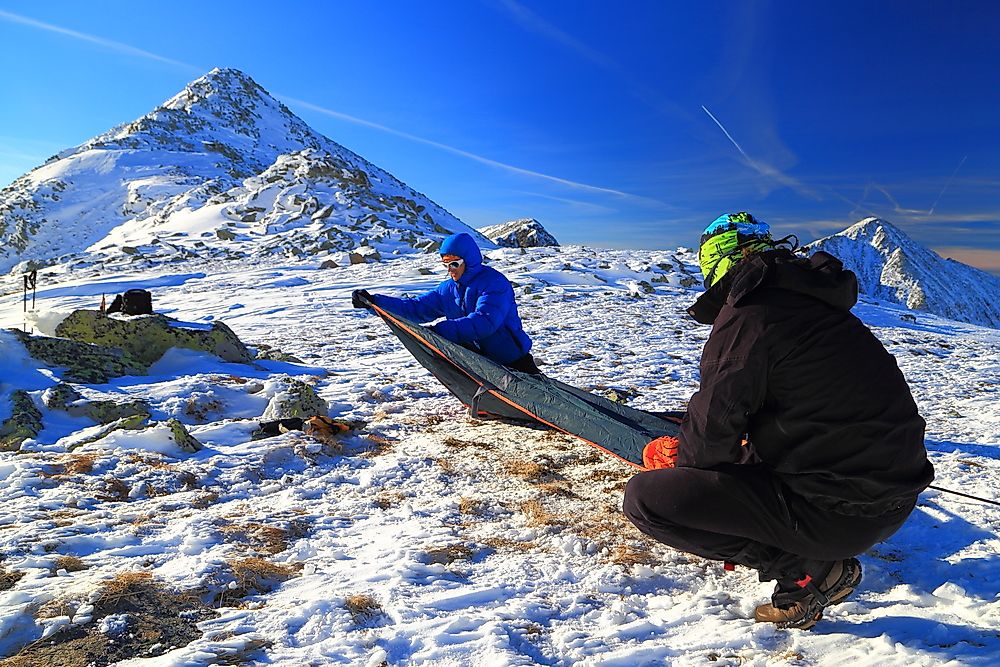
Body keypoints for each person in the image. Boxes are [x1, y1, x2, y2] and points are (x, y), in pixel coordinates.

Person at [623, 212, 934, 630]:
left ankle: (804, 570)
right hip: (891, 500)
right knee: (745, 462)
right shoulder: (817, 307)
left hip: (840, 513)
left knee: (648, 499)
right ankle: (808, 549)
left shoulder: (751, 316)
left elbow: (713, 434)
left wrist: (676, 460)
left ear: (716, 262)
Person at [352, 232, 540, 374]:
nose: (450, 269)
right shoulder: (447, 289)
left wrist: (440, 332)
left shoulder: (494, 283)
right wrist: (374, 302)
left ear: (469, 260)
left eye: (454, 263)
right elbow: (416, 308)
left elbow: (484, 322)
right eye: (445, 264)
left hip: (512, 360)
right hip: (480, 364)